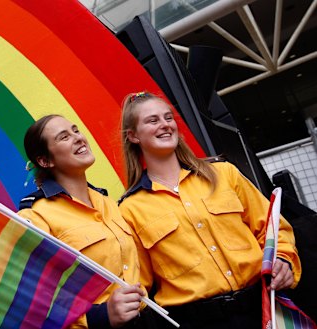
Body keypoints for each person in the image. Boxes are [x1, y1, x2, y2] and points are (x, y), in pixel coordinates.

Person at [118, 91, 302, 328]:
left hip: (266, 309)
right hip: (199, 322)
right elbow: (137, 283)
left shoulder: (224, 174)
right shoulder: (129, 209)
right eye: (153, 120)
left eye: (168, 117)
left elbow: (273, 229)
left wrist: (283, 260)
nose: (165, 125)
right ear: (133, 136)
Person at [18, 114, 149, 329]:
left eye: (76, 130)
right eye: (63, 137)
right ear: (45, 161)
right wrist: (100, 316)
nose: (78, 138)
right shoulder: (35, 216)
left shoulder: (108, 203)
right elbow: (34, 299)